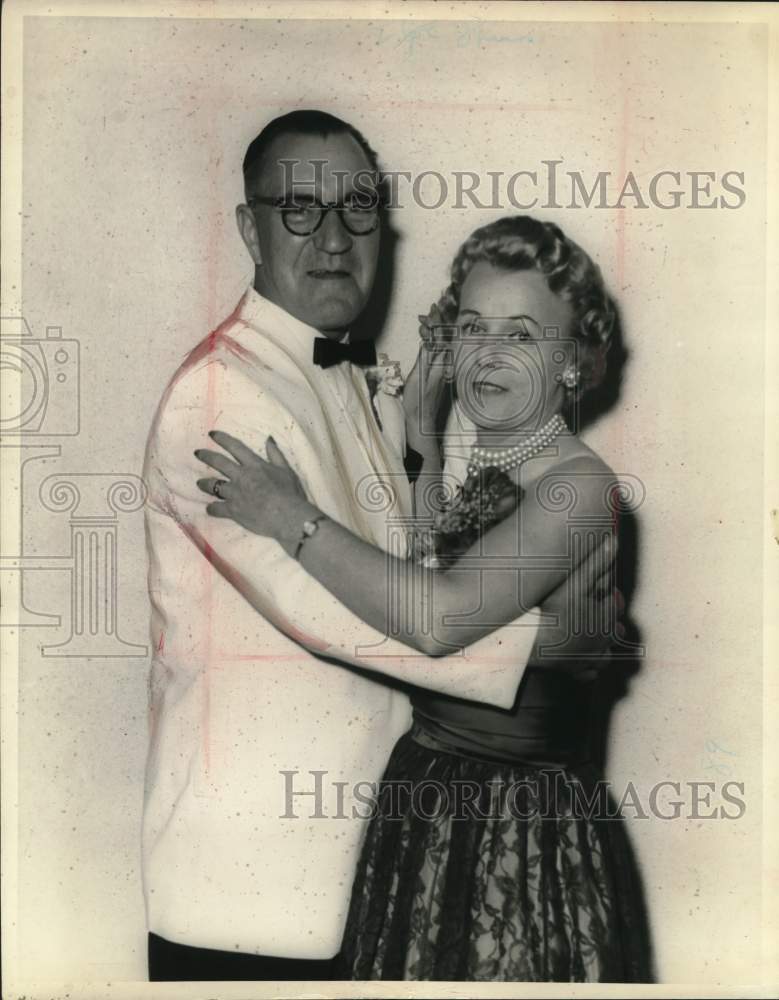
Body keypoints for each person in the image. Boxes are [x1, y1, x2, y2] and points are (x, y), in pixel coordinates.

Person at [143, 109, 613, 982]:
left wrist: (422, 436)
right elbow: (342, 614)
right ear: (249, 227)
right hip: (257, 885)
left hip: (388, 858)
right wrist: (550, 654)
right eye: (298, 208)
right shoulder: (217, 397)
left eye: (356, 207)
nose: (332, 238)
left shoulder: (355, 375)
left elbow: (412, 556)